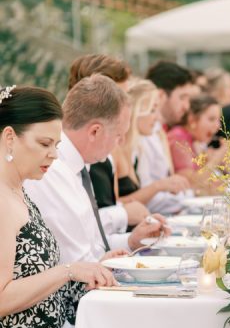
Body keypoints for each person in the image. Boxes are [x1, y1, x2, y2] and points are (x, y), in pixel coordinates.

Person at [0, 85, 117, 328]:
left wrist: (88, 272)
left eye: (57, 144)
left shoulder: (20, 190)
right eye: (45, 143)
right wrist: (68, 271)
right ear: (9, 137)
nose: (53, 154)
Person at [24, 74, 168, 264]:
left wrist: (131, 241)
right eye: (118, 135)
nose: (121, 142)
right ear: (95, 131)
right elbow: (76, 263)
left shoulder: (80, 165)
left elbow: (93, 245)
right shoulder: (51, 170)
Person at [69, 54, 149, 232]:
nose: (128, 103)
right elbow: (81, 224)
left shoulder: (111, 145)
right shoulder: (78, 148)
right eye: (120, 95)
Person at [112, 80, 189, 206]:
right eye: (152, 110)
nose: (158, 118)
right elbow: (114, 205)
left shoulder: (136, 147)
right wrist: (159, 186)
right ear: (137, 110)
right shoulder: (117, 149)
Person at [139, 61, 195, 214]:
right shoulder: (143, 134)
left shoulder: (158, 132)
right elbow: (147, 195)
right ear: (162, 95)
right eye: (182, 97)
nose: (187, 106)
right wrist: (191, 197)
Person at [168, 95, 225, 192]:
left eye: (219, 120)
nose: (218, 126)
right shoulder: (178, 138)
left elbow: (208, 182)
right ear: (192, 119)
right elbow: (192, 183)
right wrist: (219, 156)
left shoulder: (194, 141)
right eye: (211, 119)